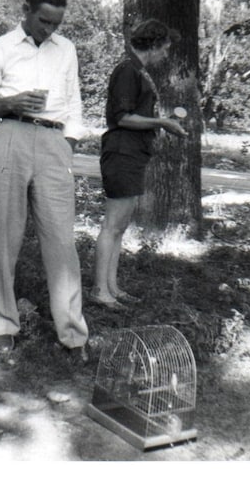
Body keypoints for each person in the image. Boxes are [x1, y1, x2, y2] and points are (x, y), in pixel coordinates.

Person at [0, 0, 89, 362]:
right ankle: (4, 324)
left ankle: (72, 333)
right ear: (27, 10)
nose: (49, 30)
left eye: (56, 23)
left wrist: (66, 145)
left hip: (54, 145)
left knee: (62, 242)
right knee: (5, 238)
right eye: (43, 21)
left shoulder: (66, 49)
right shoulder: (0, 48)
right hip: (11, 138)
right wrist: (11, 103)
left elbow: (73, 103)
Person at [93, 19, 187, 309]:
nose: (166, 54)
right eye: (166, 48)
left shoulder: (138, 71)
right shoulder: (127, 69)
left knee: (120, 226)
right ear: (155, 43)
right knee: (112, 225)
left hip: (132, 154)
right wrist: (161, 122)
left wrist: (160, 123)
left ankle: (112, 287)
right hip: (121, 153)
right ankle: (99, 291)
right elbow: (121, 117)